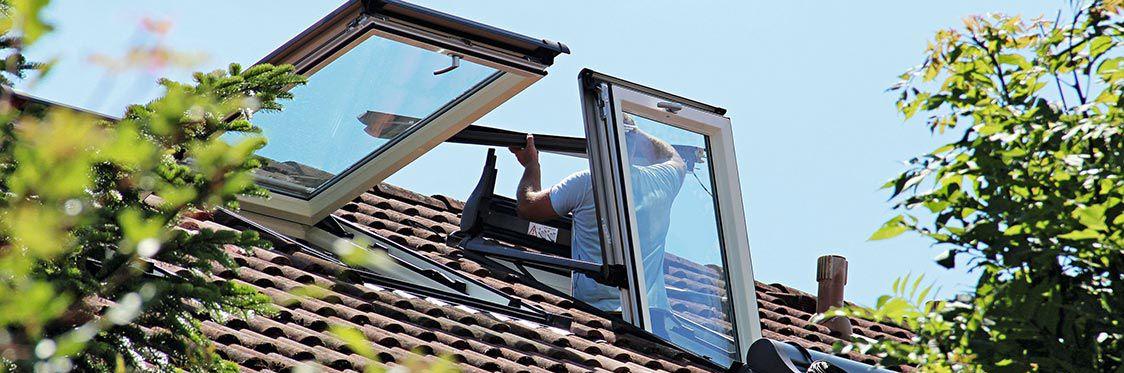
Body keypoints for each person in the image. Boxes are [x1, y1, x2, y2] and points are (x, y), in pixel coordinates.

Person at [509, 114, 687, 313]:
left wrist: (531, 165)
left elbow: (527, 207)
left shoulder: (587, 183)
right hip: (649, 317)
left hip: (599, 314)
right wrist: (632, 130)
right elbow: (674, 157)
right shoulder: (661, 181)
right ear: (633, 144)